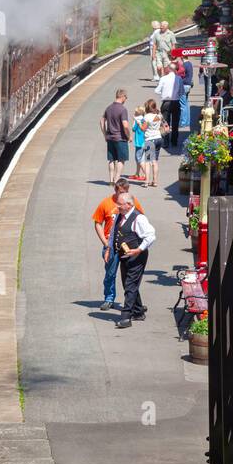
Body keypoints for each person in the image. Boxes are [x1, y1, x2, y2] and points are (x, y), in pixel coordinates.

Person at [92, 176, 144, 309]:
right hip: (111, 245)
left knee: (130, 276)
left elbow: (140, 219)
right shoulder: (106, 203)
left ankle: (133, 303)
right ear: (115, 190)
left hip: (127, 246)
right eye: (120, 192)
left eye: (125, 192)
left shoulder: (132, 202)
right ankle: (109, 298)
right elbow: (98, 223)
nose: (123, 195)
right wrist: (105, 243)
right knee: (110, 273)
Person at [111, 190, 156, 329]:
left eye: (120, 204)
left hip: (137, 256)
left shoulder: (139, 218)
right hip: (124, 255)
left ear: (129, 204)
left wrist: (139, 249)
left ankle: (126, 317)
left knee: (130, 284)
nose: (117, 207)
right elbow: (114, 233)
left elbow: (151, 236)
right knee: (128, 284)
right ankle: (138, 311)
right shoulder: (120, 215)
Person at [100, 88, 131, 184]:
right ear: (122, 96)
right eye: (126, 97)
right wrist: (129, 136)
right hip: (120, 138)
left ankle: (110, 180)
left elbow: (101, 121)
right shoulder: (122, 109)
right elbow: (125, 125)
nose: (126, 100)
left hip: (110, 138)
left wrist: (105, 134)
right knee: (121, 160)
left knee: (111, 160)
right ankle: (116, 179)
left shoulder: (108, 108)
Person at [155, 63, 184, 149]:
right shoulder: (179, 79)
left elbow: (157, 90)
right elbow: (182, 92)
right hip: (176, 102)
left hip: (166, 102)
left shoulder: (163, 78)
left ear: (169, 69)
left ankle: (166, 142)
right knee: (175, 123)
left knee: (165, 123)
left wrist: (163, 93)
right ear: (175, 70)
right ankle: (174, 141)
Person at [138, 99, 164, 187]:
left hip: (150, 140)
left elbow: (143, 128)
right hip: (159, 138)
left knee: (148, 161)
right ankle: (155, 181)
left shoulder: (147, 117)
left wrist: (139, 123)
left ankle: (147, 182)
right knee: (155, 161)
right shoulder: (159, 116)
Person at [178, 54, 194, 139]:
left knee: (182, 104)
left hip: (184, 86)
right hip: (188, 86)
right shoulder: (190, 64)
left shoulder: (184, 65)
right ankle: (187, 121)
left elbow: (183, 77)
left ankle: (183, 122)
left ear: (182, 57)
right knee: (186, 103)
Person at [132, 104, 146, 181]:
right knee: (141, 158)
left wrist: (134, 121)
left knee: (139, 159)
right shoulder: (144, 119)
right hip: (144, 142)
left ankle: (146, 174)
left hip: (139, 143)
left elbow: (133, 129)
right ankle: (137, 173)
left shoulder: (137, 120)